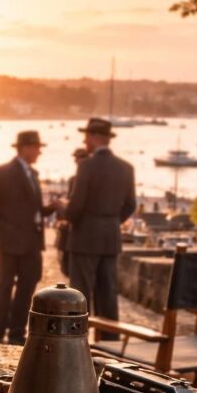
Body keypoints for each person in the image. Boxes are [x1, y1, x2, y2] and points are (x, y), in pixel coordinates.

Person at [0, 130, 60, 345]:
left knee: (28, 286)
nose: (39, 152)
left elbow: (33, 208)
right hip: (9, 242)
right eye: (36, 148)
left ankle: (16, 333)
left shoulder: (33, 174)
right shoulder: (1, 172)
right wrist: (4, 228)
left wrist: (49, 208)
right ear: (24, 148)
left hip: (32, 243)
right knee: (4, 287)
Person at [66, 118, 137, 338]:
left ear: (94, 138)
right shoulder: (126, 168)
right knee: (108, 293)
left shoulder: (86, 166)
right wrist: (112, 221)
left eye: (86, 136)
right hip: (110, 236)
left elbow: (76, 205)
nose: (84, 141)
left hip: (85, 237)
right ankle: (110, 344)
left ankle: (76, 343)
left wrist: (67, 214)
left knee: (80, 294)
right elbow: (131, 204)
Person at [56, 147, 89, 276]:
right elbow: (71, 200)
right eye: (76, 160)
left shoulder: (88, 179)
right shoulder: (72, 180)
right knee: (68, 267)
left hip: (84, 230)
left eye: (79, 159)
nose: (77, 163)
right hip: (71, 229)